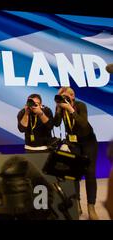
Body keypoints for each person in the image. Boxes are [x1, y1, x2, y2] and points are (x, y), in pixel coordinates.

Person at [53, 86, 99, 220]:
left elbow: (83, 123)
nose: (70, 97)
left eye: (72, 95)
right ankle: (76, 204)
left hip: (88, 142)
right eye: (66, 96)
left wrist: (70, 109)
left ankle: (91, 207)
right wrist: (58, 108)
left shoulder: (80, 105)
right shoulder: (61, 108)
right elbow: (56, 124)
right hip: (74, 143)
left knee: (90, 173)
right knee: (75, 175)